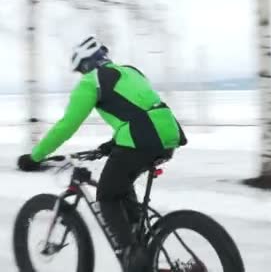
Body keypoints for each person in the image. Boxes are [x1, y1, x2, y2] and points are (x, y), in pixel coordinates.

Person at [17, 35, 187, 270]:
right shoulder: (130, 71)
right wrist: (111, 145)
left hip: (140, 139)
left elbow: (66, 126)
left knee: (106, 196)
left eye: (80, 70)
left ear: (85, 64)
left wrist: (35, 157)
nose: (81, 75)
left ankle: (133, 258)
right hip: (168, 136)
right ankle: (143, 247)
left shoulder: (91, 81)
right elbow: (137, 110)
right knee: (123, 191)